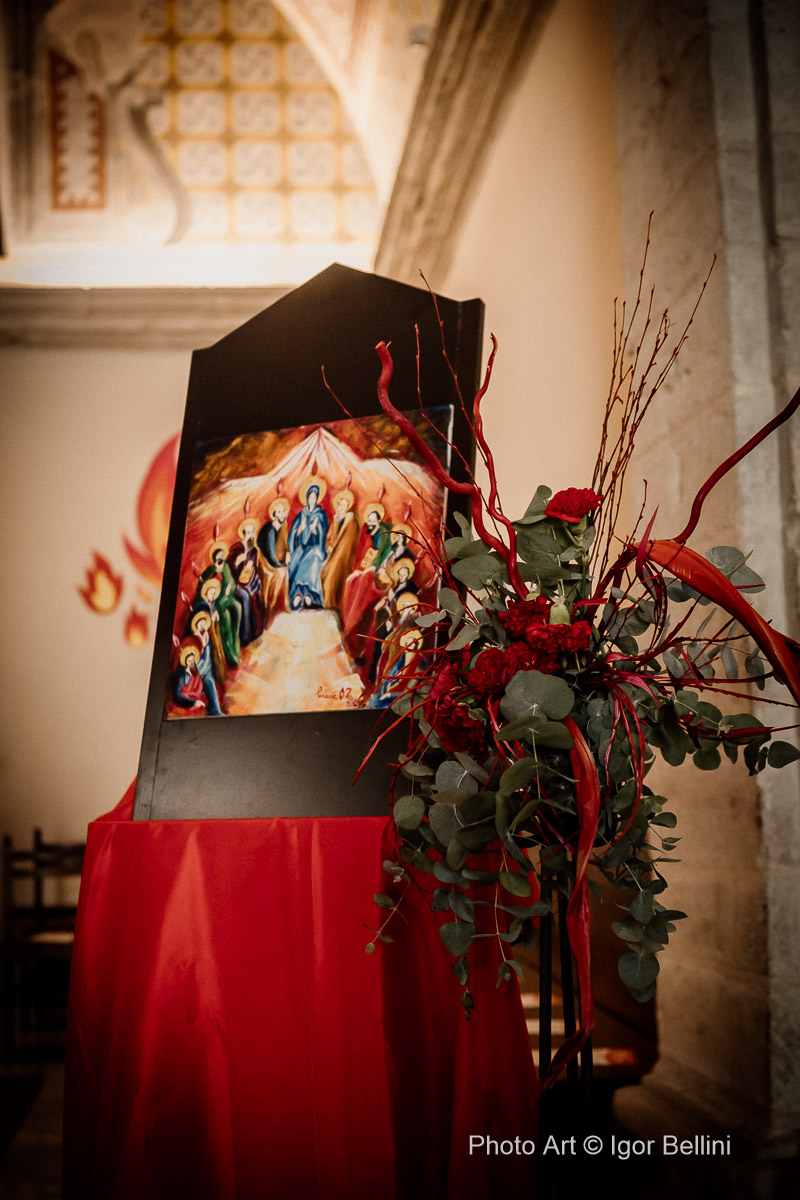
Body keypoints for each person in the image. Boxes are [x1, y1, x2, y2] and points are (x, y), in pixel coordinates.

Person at [197, 542, 242, 667]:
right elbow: (202, 586)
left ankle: (235, 645)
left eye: (223, 555)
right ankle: (231, 655)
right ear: (215, 558)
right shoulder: (211, 570)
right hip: (218, 603)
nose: (221, 558)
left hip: (228, 598)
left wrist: (230, 587)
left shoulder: (226, 567)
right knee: (226, 620)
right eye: (219, 556)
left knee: (238, 609)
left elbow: (231, 581)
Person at [287, 478, 329, 609]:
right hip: (301, 547)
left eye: (314, 498)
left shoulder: (320, 514)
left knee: (313, 560)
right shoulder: (301, 514)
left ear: (317, 499)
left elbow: (323, 534)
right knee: (295, 560)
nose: (312, 500)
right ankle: (300, 595)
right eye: (310, 497)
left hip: (315, 547)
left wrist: (314, 530)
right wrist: (300, 529)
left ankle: (307, 593)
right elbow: (293, 534)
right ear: (306, 498)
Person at [321, 488, 360, 609]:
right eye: (340, 504)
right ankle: (324, 601)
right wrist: (329, 546)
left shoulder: (351, 520)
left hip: (343, 553)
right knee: (324, 572)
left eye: (344, 505)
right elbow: (330, 536)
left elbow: (350, 540)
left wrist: (338, 550)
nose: (342, 507)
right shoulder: (335, 518)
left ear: (348, 507)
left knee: (332, 574)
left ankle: (330, 602)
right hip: (333, 552)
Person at [228, 518, 264, 645]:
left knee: (256, 591)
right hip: (235, 584)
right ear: (243, 534)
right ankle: (245, 636)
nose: (250, 535)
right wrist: (238, 561)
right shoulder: (236, 549)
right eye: (248, 533)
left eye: (252, 532)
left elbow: (253, 568)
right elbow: (229, 569)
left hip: (249, 581)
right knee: (245, 596)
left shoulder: (253, 550)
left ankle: (256, 632)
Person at [256, 496, 290, 624]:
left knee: (286, 572)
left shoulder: (283, 525)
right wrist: (279, 565)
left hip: (276, 559)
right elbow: (270, 554)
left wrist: (287, 553)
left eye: (283, 511)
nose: (282, 514)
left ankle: (281, 605)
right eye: (279, 512)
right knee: (280, 573)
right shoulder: (270, 530)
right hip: (265, 561)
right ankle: (270, 605)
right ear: (274, 514)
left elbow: (285, 544)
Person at [172, 643, 206, 713]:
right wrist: (193, 702)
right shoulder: (181, 675)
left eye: (193, 660)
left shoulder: (196, 674)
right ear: (186, 662)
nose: (191, 663)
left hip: (196, 700)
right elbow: (177, 696)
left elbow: (199, 689)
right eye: (189, 661)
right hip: (185, 703)